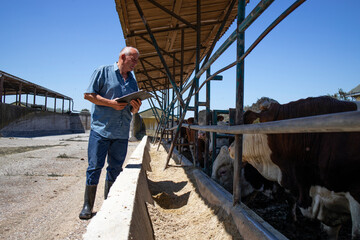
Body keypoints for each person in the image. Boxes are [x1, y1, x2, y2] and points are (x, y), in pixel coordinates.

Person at [79, 46, 142, 220]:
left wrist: (135, 108)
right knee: (94, 167)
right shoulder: (103, 71)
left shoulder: (132, 81)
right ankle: (87, 206)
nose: (136, 64)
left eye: (137, 60)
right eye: (133, 60)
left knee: (115, 169)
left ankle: (109, 205)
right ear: (123, 57)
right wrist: (110, 103)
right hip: (101, 130)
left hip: (121, 132)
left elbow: (132, 109)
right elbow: (88, 95)